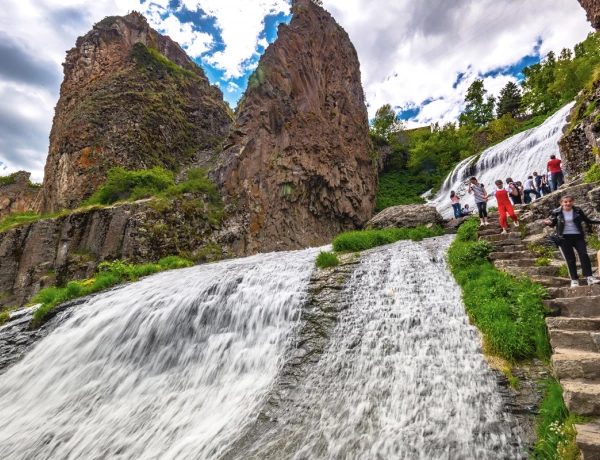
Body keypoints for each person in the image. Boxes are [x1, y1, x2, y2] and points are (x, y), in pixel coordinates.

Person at [545, 195, 600, 287]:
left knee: (584, 255)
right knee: (570, 259)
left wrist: (598, 221)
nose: (568, 203)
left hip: (578, 236)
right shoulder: (557, 212)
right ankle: (574, 280)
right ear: (561, 203)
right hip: (564, 238)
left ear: (573, 202)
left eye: (570, 201)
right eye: (565, 202)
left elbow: (587, 220)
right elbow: (553, 222)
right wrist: (549, 223)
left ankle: (589, 277)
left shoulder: (577, 211)